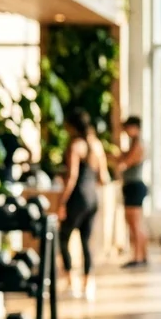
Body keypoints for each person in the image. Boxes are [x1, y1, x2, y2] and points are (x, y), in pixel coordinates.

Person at [57, 110, 110, 299]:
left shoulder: (75, 145)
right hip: (93, 197)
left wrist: (61, 202)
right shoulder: (97, 146)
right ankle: (88, 283)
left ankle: (71, 281)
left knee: (63, 237)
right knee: (86, 241)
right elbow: (103, 177)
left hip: (77, 197)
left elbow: (71, 177)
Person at [117, 116, 149, 268]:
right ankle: (141, 255)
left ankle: (137, 257)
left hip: (135, 186)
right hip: (133, 185)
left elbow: (125, 162)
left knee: (135, 223)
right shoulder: (134, 143)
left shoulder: (138, 144)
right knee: (136, 223)